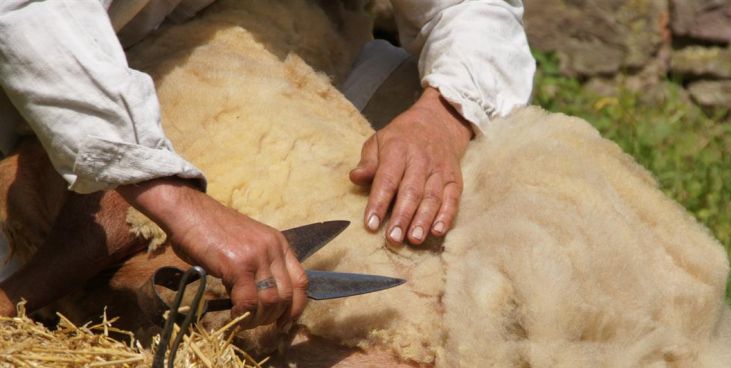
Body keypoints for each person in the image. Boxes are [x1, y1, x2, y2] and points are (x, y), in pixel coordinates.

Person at [0, 0, 535, 327]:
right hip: (56, 97)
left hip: (274, 56)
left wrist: (443, 114)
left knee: (484, 147)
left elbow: (468, 6)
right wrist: (175, 200)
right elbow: (29, 16)